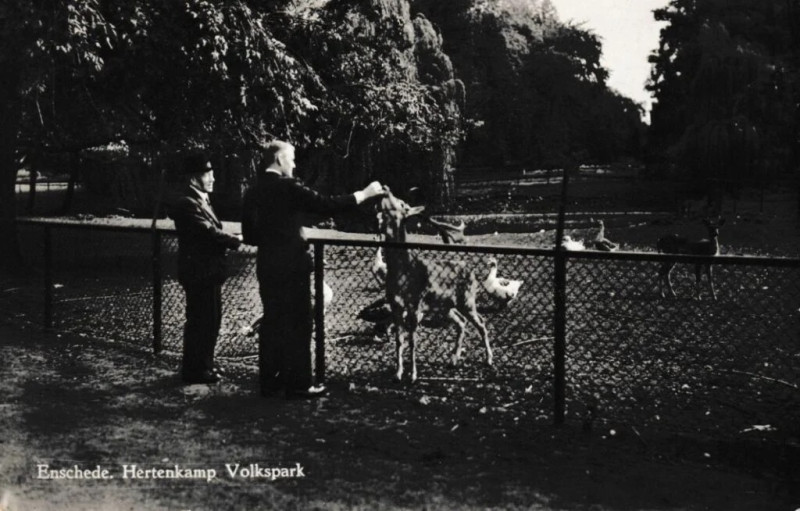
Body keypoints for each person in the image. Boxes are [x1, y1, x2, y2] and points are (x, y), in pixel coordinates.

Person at [242, 140, 384, 399]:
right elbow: (325, 204)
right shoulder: (289, 187)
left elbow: (249, 236)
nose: (295, 163)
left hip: (268, 267)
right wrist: (364, 194)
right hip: (293, 268)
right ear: (279, 159)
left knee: (273, 323)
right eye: (292, 158)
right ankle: (299, 384)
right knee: (300, 324)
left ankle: (270, 384)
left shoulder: (253, 191)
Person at [170, 154, 242, 384]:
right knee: (202, 322)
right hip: (200, 272)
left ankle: (202, 367)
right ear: (194, 178)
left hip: (206, 272)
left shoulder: (199, 201)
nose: (213, 178)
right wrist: (237, 240)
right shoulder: (187, 203)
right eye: (207, 174)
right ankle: (197, 370)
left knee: (208, 321)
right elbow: (208, 232)